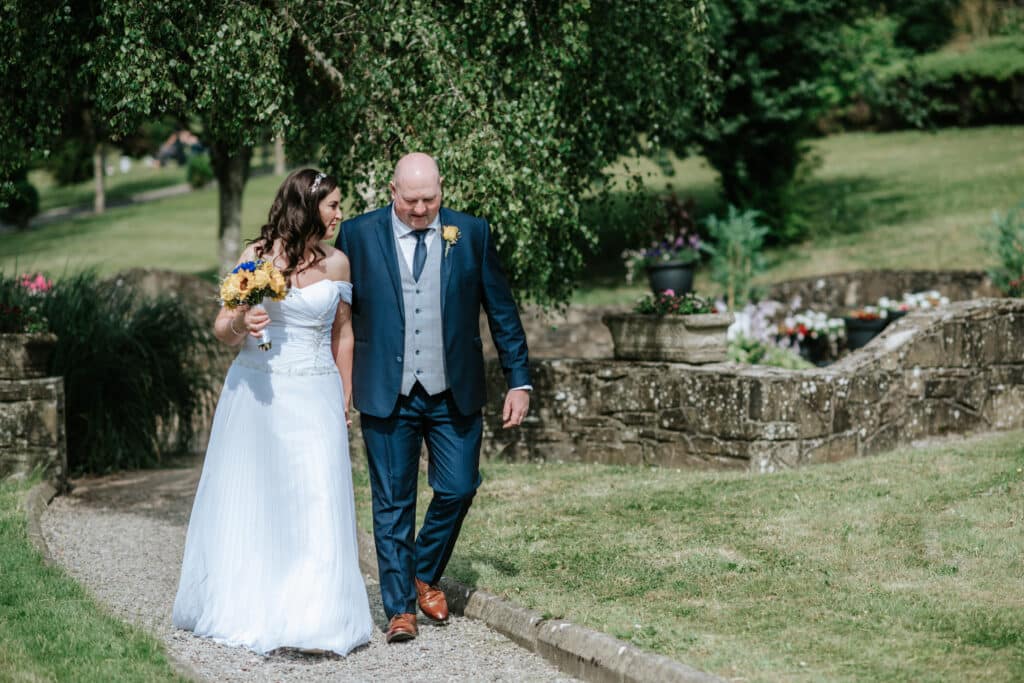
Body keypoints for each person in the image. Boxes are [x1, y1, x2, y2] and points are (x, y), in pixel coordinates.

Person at [172, 168, 373, 656]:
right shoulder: (256, 258)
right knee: (262, 496)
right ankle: (260, 605)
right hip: (259, 390)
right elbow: (222, 327)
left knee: (318, 495)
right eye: (332, 205)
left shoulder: (339, 264)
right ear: (306, 206)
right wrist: (243, 319)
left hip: (317, 391)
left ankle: (317, 616)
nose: (339, 214)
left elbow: (342, 334)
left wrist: (345, 393)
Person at [336, 152, 531, 643]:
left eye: (430, 199)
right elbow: (337, 320)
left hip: (454, 389)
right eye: (411, 200)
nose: (421, 209)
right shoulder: (358, 236)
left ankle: (423, 570)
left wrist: (519, 380)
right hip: (385, 390)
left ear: (441, 189)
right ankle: (400, 608)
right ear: (391, 191)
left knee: (459, 486)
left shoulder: (472, 234)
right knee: (392, 501)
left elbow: (501, 311)